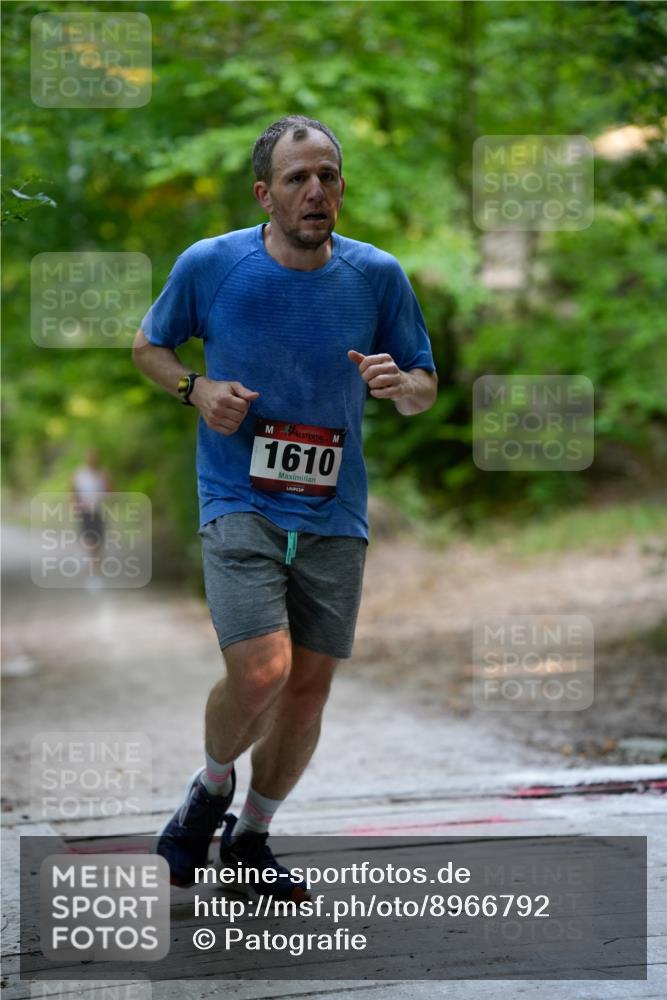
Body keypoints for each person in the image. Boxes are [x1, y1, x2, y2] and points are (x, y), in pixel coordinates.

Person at [132, 115, 437, 898]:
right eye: (298, 178)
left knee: (309, 683)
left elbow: (423, 384)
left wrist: (402, 387)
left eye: (328, 176)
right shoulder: (212, 265)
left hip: (335, 509)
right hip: (238, 496)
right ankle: (207, 791)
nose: (316, 191)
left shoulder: (377, 276)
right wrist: (194, 389)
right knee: (262, 667)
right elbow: (149, 346)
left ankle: (252, 839)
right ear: (265, 193)